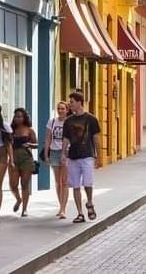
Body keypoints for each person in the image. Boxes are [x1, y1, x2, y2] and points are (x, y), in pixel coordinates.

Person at [62, 91, 102, 224]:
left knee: (88, 183)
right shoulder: (68, 121)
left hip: (87, 155)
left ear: (79, 102)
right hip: (73, 156)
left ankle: (89, 202)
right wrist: (63, 153)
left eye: (72, 102)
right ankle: (80, 213)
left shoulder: (91, 119)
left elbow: (96, 138)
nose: (70, 105)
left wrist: (99, 156)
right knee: (75, 185)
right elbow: (66, 138)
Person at [9, 108, 38, 217]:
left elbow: (36, 144)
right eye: (16, 116)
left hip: (26, 158)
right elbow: (8, 145)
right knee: (13, 184)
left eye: (20, 116)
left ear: (24, 117)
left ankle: (24, 209)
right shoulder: (11, 130)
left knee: (25, 184)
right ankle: (18, 199)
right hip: (14, 159)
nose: (17, 118)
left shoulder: (29, 130)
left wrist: (30, 145)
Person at [44, 101, 71, 218]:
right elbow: (48, 138)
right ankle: (61, 206)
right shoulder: (52, 122)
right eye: (59, 108)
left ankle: (63, 209)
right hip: (54, 151)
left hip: (66, 152)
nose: (60, 111)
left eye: (63, 109)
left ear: (67, 110)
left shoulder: (69, 122)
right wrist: (46, 154)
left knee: (65, 182)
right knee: (58, 182)